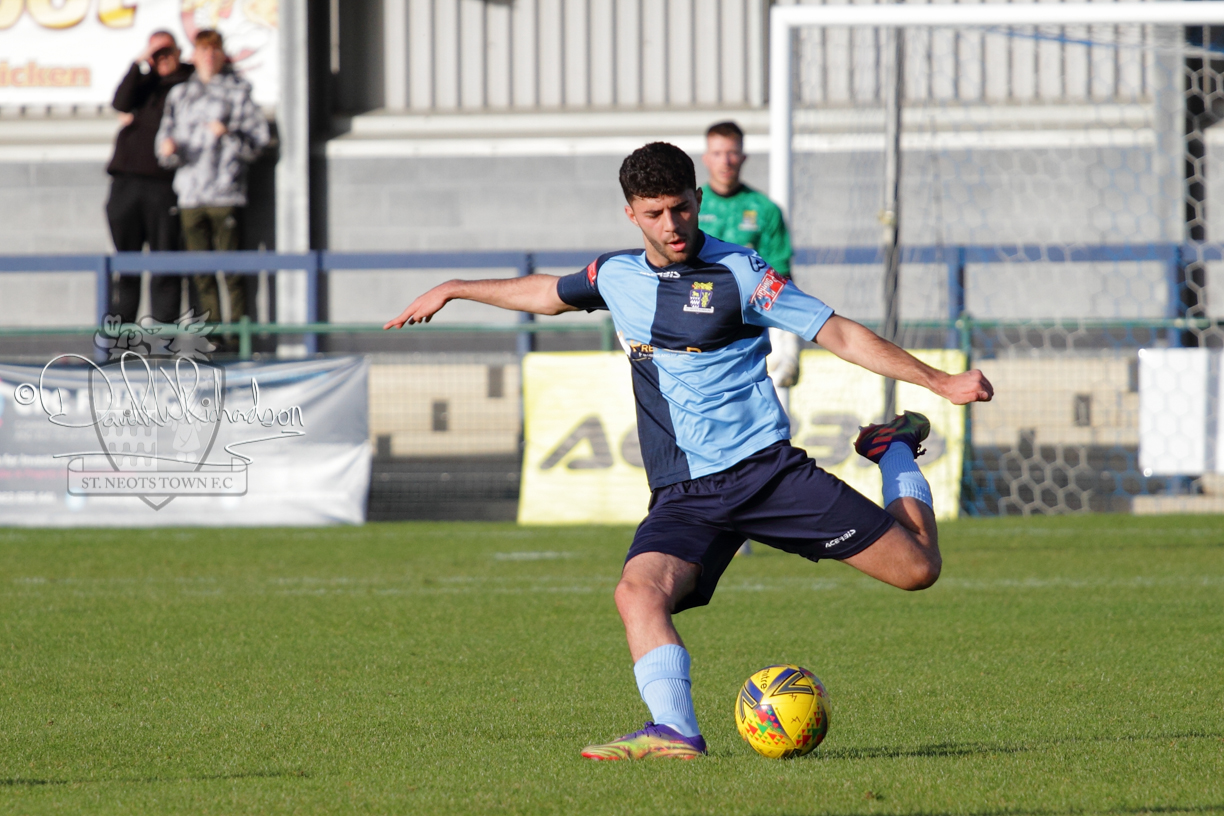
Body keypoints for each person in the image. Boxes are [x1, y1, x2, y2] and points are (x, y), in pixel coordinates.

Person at [383, 143, 994, 760]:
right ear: (631, 214)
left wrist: (940, 382)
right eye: (654, 213)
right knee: (637, 593)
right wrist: (455, 288)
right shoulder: (614, 275)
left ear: (698, 200)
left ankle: (893, 450)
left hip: (765, 474)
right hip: (684, 495)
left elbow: (836, 331)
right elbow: (545, 293)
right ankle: (674, 731)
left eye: (680, 208)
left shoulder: (741, 273)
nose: (671, 225)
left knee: (918, 570)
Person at [157, 28, 269, 329]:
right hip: (191, 197)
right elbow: (164, 146)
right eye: (203, 49)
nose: (208, 55)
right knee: (200, 273)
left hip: (225, 194)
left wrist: (228, 134)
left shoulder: (238, 92)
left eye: (214, 49)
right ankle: (212, 337)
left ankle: (237, 336)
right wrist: (169, 150)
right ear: (193, 55)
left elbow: (258, 142)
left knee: (232, 270)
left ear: (222, 55)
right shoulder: (180, 95)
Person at [699, 120, 801, 398]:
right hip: (698, 315)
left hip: (749, 322)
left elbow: (779, 275)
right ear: (706, 158)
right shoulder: (690, 206)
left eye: (732, 153)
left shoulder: (765, 210)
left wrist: (787, 339)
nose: (725, 161)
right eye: (717, 153)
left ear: (743, 157)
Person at [105, 30, 194, 324]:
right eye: (157, 54)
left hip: (163, 184)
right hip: (126, 182)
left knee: (165, 264)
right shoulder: (143, 84)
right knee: (126, 264)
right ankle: (122, 335)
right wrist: (139, 62)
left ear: (179, 53)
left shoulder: (188, 83)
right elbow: (119, 102)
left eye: (168, 52)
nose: (163, 59)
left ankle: (164, 336)